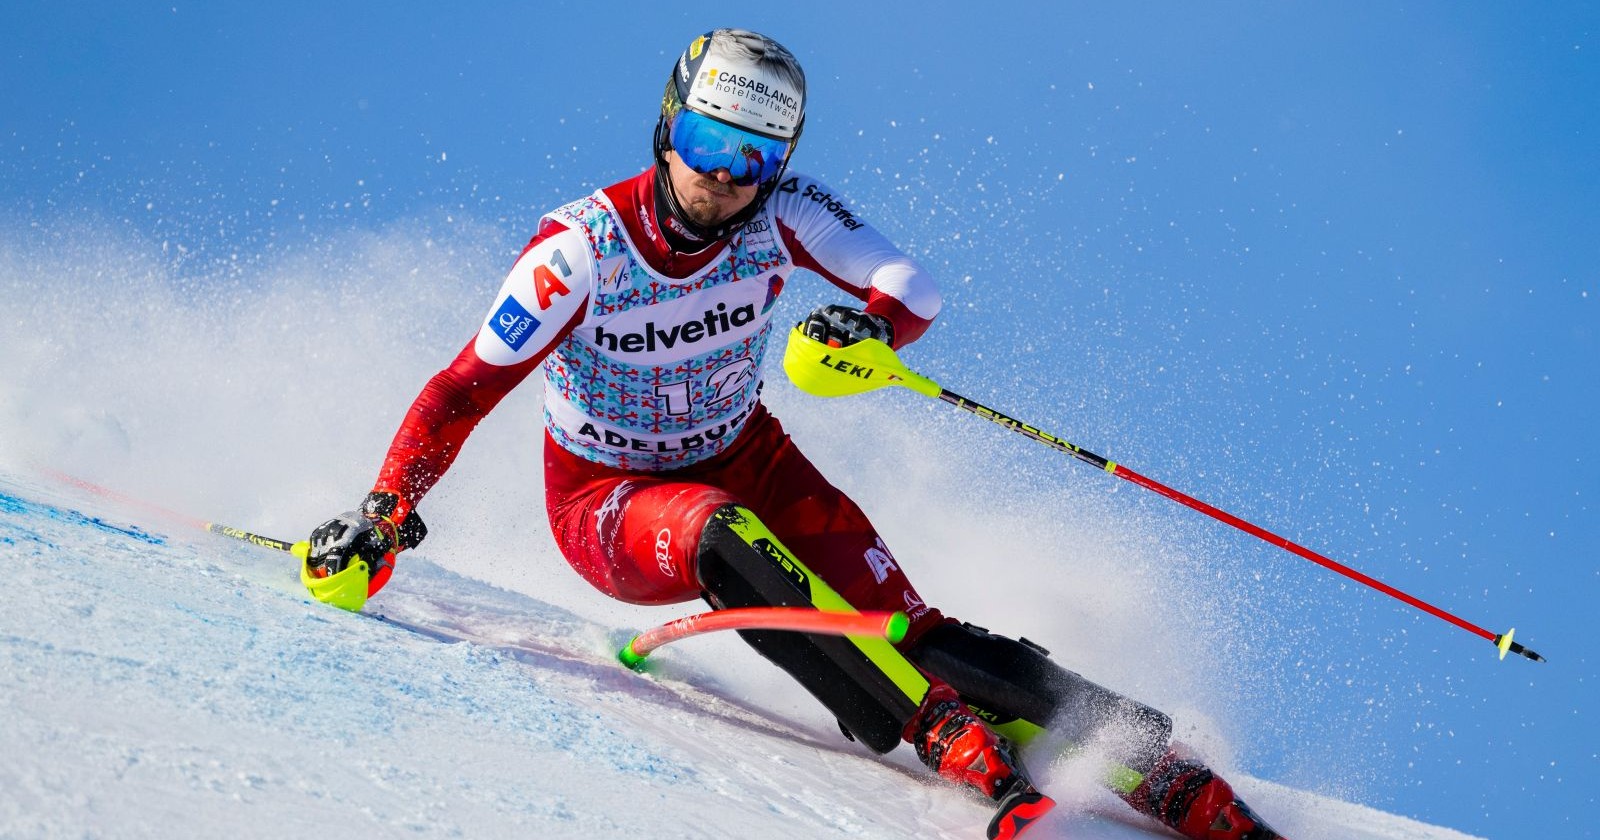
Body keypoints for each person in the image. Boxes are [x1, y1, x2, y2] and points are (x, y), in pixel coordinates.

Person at [303, 28, 1286, 840]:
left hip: (750, 453)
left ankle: (1138, 751)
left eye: (754, 161)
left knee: (909, 627)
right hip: (606, 497)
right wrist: (386, 510)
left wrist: (868, 328)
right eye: (706, 142)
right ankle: (932, 726)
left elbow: (912, 287)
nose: (723, 180)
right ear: (666, 124)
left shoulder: (783, 216)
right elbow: (459, 390)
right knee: (725, 531)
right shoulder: (580, 254)